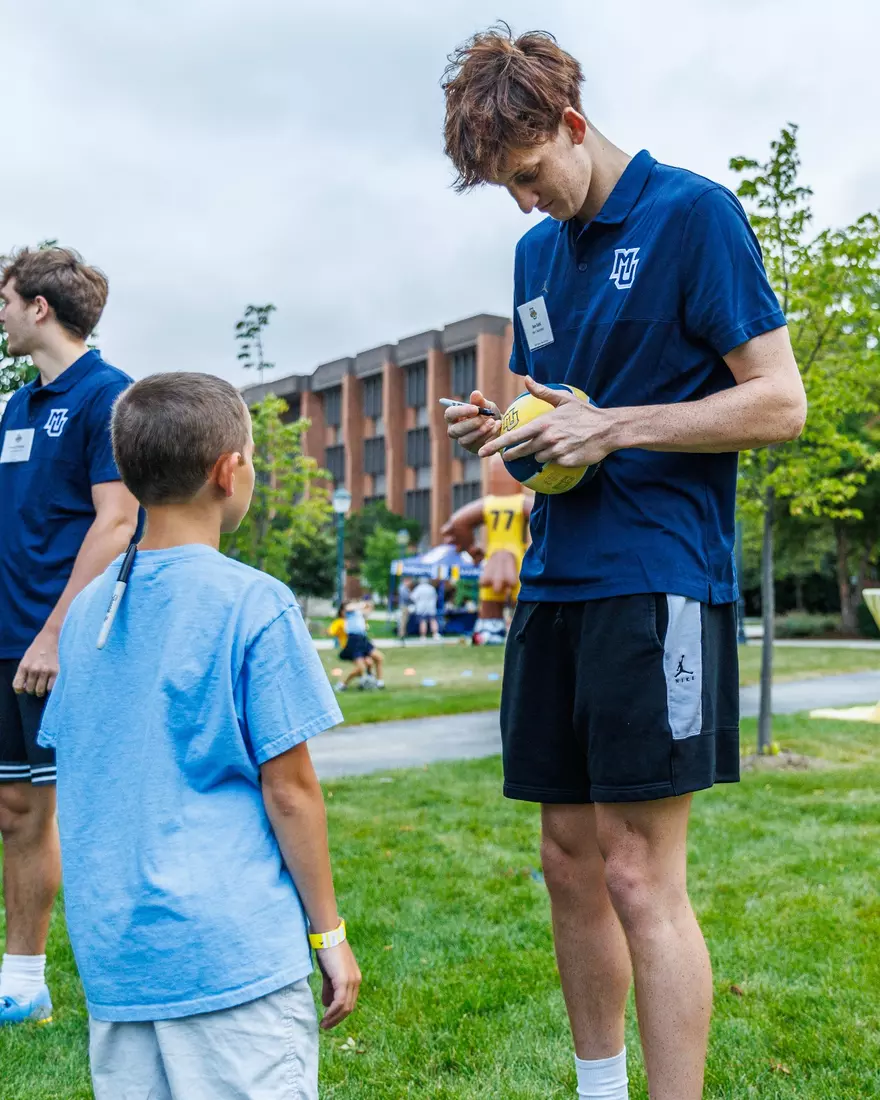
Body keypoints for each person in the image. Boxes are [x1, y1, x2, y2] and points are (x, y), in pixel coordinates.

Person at [443, 27, 807, 1100]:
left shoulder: (693, 214)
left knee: (639, 872)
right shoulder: (531, 257)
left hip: (660, 580)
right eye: (501, 189)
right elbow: (548, 411)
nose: (522, 203)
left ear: (569, 123)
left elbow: (780, 401)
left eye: (526, 175)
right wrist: (499, 444)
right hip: (554, 580)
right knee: (566, 862)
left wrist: (613, 427)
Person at [37, 372, 360, 1099]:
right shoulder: (256, 603)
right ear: (229, 470)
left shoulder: (86, 613)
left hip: (120, 963)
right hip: (232, 960)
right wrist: (328, 935)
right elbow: (291, 791)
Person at [0, 247, 139, 1026]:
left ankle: (127, 977)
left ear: (41, 307)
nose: (2, 312)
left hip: (65, 644)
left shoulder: (108, 397)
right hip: (6, 639)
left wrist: (53, 634)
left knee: (90, 812)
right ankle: (23, 982)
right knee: (16, 809)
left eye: (7, 298)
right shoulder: (18, 406)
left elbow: (118, 522)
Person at [441, 453, 533, 645]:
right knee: (521, 594)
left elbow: (457, 522)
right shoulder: (520, 503)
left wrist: (472, 549)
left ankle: (490, 628)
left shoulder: (488, 504)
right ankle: (526, 629)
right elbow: (543, 515)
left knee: (490, 594)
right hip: (516, 555)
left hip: (493, 555)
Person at [329, 601, 385, 691]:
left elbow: (368, 611)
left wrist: (370, 605)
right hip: (354, 640)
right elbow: (349, 607)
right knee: (361, 667)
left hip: (363, 639)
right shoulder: (349, 612)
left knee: (378, 658)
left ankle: (379, 682)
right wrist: (362, 604)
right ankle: (342, 684)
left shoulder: (358, 613)